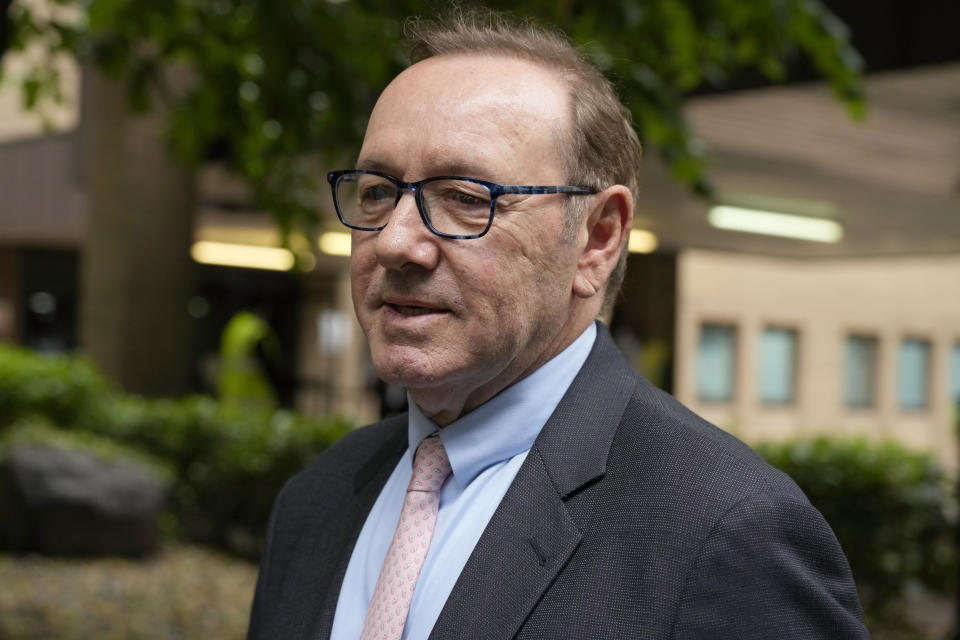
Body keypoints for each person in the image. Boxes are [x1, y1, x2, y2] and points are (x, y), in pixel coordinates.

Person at [247, 9, 869, 640]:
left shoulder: (728, 533)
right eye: (378, 191)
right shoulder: (315, 500)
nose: (396, 242)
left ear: (597, 240)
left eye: (466, 197)